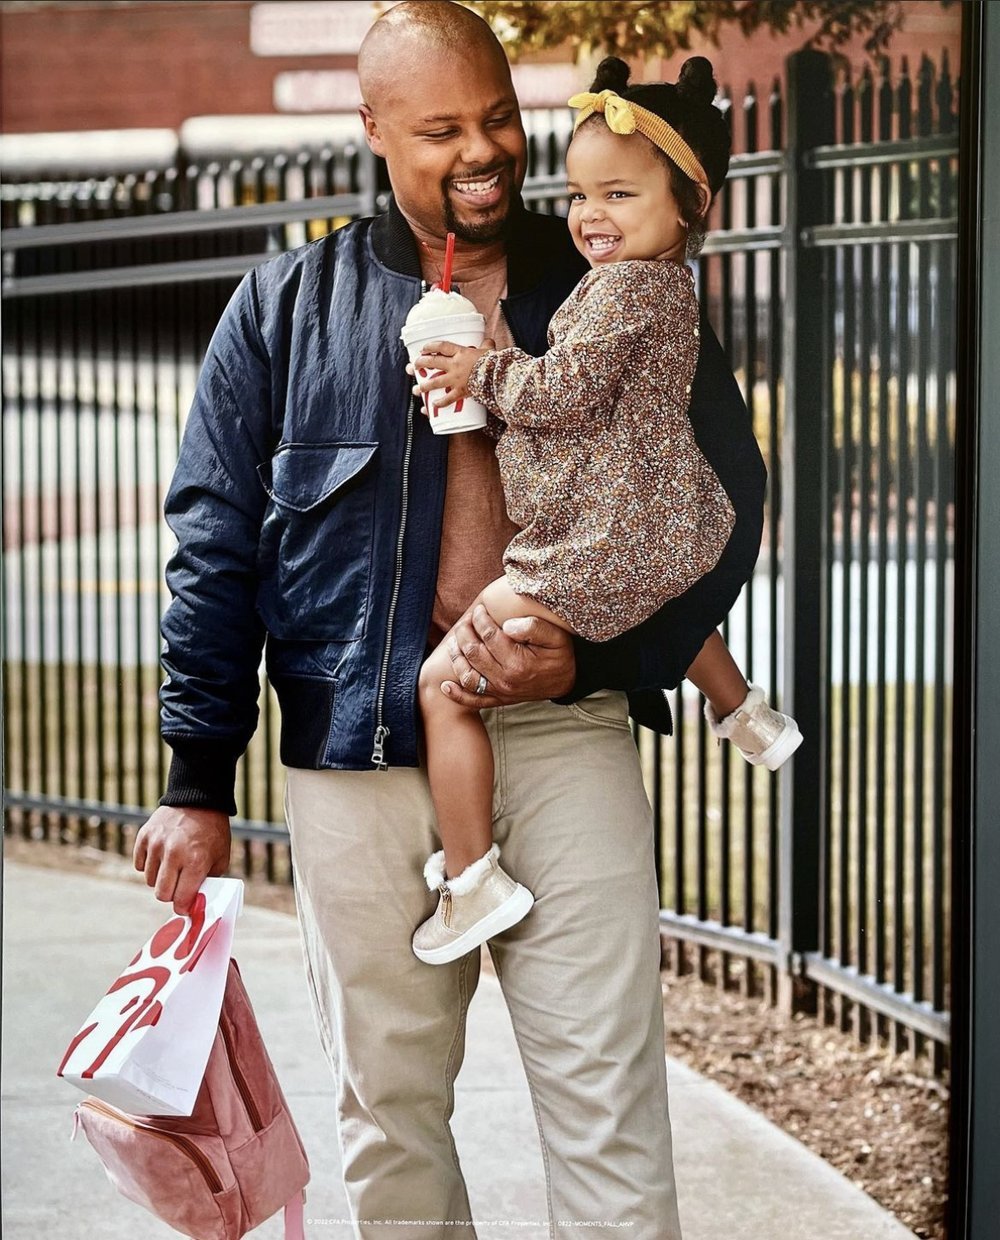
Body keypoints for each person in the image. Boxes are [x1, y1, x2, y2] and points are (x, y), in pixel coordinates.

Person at [132, 3, 768, 1236]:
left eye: (495, 119)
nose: (481, 151)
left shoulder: (611, 279)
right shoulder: (281, 311)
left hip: (563, 730)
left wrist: (598, 649)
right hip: (357, 761)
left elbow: (726, 496)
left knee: (609, 1107)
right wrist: (194, 777)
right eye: (439, 130)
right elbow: (211, 551)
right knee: (390, 1120)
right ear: (371, 129)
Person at [408, 55, 801, 965]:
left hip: (595, 540)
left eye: (618, 194)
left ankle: (472, 883)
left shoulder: (627, 289)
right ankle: (745, 715)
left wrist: (485, 371)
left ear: (689, 204)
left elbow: (570, 389)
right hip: (660, 526)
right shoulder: (667, 288)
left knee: (440, 689)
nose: (590, 215)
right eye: (581, 193)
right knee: (661, 596)